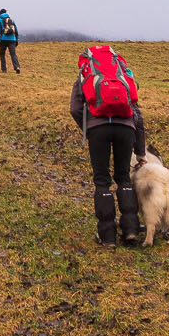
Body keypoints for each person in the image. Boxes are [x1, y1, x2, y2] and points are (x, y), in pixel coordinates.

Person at [69, 45, 145, 246]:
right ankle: (131, 229)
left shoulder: (85, 73)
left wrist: (88, 128)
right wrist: (140, 151)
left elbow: (75, 109)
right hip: (126, 128)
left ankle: (108, 235)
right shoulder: (122, 73)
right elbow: (137, 113)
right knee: (123, 177)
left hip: (98, 129)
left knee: (102, 179)